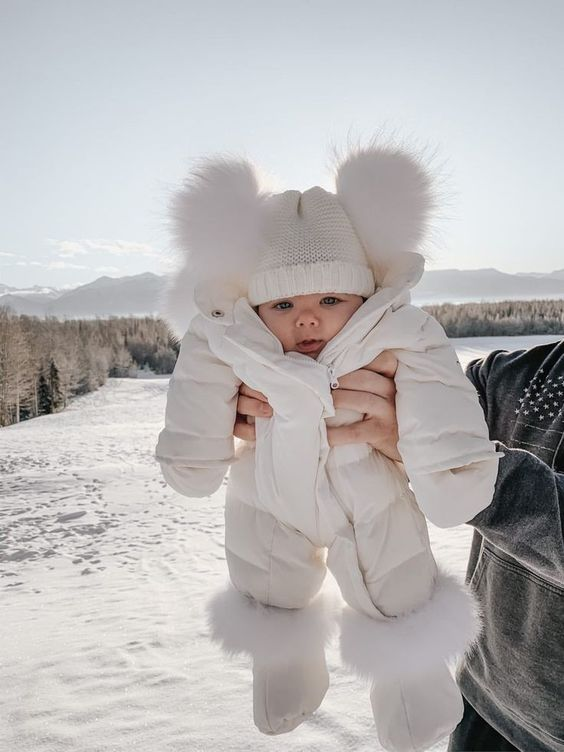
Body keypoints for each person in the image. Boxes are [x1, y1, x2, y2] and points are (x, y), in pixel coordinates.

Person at [155, 143, 501, 752]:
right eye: (285, 304)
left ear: (362, 299)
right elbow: (198, 380)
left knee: (397, 589)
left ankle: (414, 691)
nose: (307, 320)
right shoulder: (232, 339)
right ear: (258, 306)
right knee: (265, 581)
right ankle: (283, 667)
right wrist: (193, 452)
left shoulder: (397, 332)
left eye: (329, 301)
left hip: (370, 494)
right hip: (267, 495)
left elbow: (440, 395)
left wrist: (453, 469)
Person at [236, 339, 564, 752]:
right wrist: (294, 387)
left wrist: (433, 455)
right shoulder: (517, 374)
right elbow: (426, 395)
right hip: (483, 697)